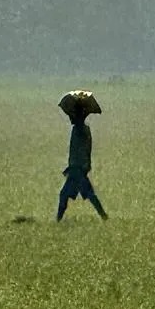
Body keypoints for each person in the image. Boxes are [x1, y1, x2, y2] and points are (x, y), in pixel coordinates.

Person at [56, 94, 108, 222]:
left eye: (72, 114)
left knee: (67, 195)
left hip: (77, 170)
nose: (70, 117)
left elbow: (82, 152)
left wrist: (77, 168)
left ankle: (58, 220)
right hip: (77, 169)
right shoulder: (81, 130)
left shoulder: (81, 131)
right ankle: (104, 216)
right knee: (88, 195)